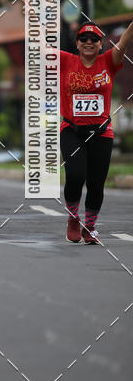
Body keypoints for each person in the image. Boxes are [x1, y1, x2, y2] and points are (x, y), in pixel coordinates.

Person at [61, 20, 133, 244]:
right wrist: (32, 17)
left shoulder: (108, 61)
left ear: (101, 44)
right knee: (75, 176)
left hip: (101, 133)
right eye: (83, 38)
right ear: (77, 43)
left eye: (94, 39)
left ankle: (90, 227)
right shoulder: (66, 61)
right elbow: (41, 48)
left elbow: (124, 42)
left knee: (96, 183)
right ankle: (73, 218)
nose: (89, 42)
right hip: (71, 130)